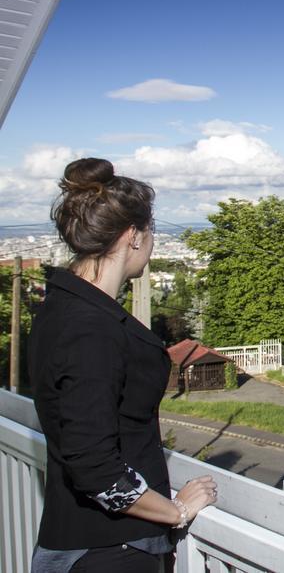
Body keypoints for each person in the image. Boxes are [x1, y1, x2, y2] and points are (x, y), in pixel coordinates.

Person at [29, 158, 218, 572]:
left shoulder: (62, 306)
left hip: (82, 542)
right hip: (109, 552)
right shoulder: (90, 329)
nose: (152, 244)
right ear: (133, 235)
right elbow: (95, 468)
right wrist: (176, 511)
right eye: (151, 233)